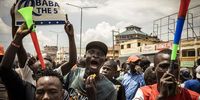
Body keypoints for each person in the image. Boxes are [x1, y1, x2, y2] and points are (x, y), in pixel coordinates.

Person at [133, 49, 200, 100]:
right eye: (163, 66)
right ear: (154, 70)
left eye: (175, 67)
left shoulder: (194, 97)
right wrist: (161, 97)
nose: (169, 71)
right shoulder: (143, 94)